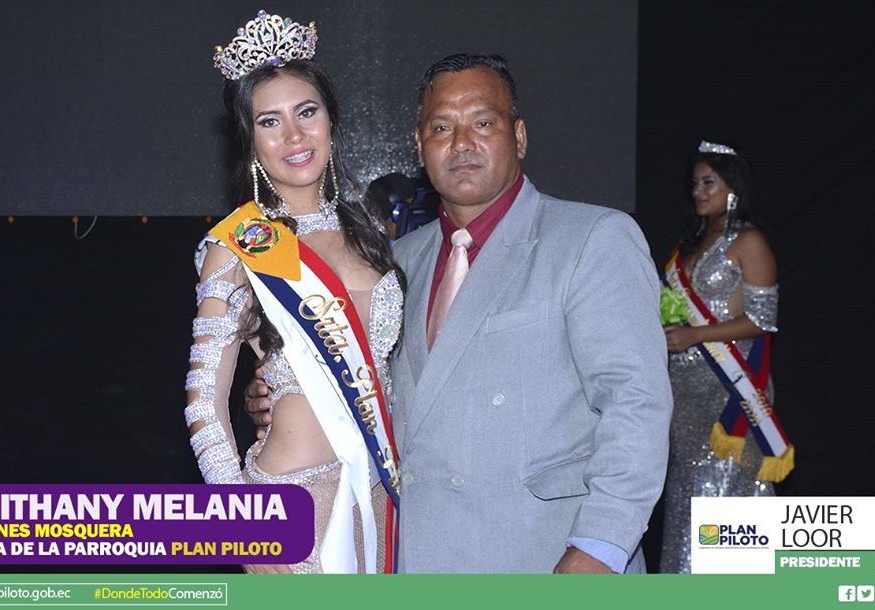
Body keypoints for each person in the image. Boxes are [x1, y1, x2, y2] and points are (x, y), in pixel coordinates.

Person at [248, 53, 672, 573]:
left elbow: (636, 404)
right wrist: (286, 394)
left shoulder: (591, 239)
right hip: (416, 558)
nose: (462, 143)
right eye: (442, 127)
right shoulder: (394, 263)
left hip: (547, 556)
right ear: (419, 145)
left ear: (519, 136)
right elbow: (371, 391)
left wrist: (601, 547)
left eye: (483, 123)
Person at [184, 10, 403, 574]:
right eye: (270, 121)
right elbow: (204, 401)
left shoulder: (372, 234)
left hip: (379, 498)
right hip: (291, 506)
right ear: (251, 141)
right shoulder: (240, 244)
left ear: (330, 120)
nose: (294, 136)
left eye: (307, 112)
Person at [659, 141, 794, 573]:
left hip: (727, 388)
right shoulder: (691, 243)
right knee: (686, 499)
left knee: (721, 495)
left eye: (708, 183)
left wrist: (695, 334)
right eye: (695, 183)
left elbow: (763, 319)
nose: (697, 191)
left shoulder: (749, 240)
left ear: (733, 187)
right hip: (682, 391)